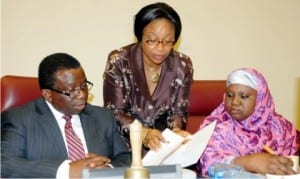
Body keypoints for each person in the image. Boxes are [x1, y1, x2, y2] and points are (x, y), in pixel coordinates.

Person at [1, 53, 131, 178]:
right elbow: (5, 164)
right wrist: (67, 171)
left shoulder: (103, 117)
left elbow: (125, 159)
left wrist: (108, 169)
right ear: (48, 94)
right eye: (71, 90)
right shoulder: (19, 119)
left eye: (84, 86)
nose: (82, 95)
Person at [103, 2, 193, 152]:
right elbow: (114, 113)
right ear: (139, 36)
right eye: (152, 40)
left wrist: (177, 132)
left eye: (168, 41)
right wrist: (144, 133)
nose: (160, 48)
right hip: (124, 148)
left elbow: (179, 112)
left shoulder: (182, 65)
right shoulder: (119, 61)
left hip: (162, 148)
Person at [197, 68, 299, 176]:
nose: (235, 102)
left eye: (244, 96)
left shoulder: (282, 128)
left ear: (260, 98)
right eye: (230, 95)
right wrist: (248, 162)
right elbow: (208, 164)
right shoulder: (216, 126)